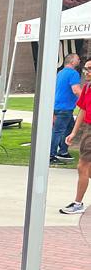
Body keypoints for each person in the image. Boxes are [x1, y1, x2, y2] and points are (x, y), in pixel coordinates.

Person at [62, 59, 91, 216]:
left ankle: (78, 203)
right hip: (87, 130)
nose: (87, 72)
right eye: (86, 69)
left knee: (82, 166)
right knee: (86, 168)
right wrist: (73, 132)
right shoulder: (86, 88)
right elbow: (83, 111)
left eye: (90, 69)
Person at [51, 53, 81, 164]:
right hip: (65, 108)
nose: (79, 61)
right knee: (58, 131)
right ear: (72, 61)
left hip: (58, 106)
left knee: (69, 128)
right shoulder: (73, 73)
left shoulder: (61, 73)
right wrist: (87, 99)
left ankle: (63, 151)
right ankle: (51, 155)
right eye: (78, 59)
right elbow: (76, 90)